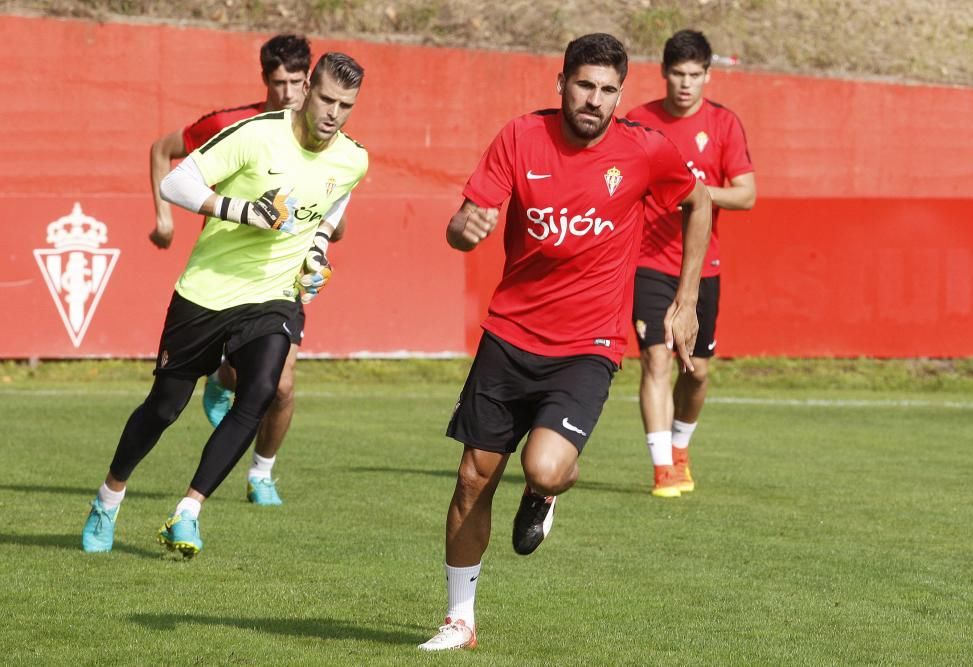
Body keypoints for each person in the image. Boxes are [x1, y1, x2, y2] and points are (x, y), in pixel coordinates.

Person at [417, 33, 713, 651]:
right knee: (473, 476)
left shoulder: (644, 149)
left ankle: (543, 492)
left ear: (620, 95)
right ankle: (459, 620)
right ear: (561, 83)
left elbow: (700, 202)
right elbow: (464, 223)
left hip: (589, 344)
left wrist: (685, 300)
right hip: (509, 334)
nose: (595, 100)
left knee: (544, 466)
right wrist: (461, 230)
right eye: (585, 85)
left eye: (608, 90)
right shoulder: (521, 136)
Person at [81, 52, 368, 557]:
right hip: (207, 291)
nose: (333, 113)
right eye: (326, 99)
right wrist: (241, 210)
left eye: (345, 105)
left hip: (273, 296)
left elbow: (330, 207)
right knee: (164, 408)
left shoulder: (352, 159)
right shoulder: (256, 135)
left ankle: (188, 512)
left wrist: (317, 253)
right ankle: (109, 497)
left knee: (260, 392)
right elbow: (176, 183)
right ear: (306, 94)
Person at [148, 33, 314, 506]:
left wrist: (322, 239)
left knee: (281, 385)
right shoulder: (229, 123)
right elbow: (162, 151)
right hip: (222, 273)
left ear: (309, 80)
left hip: (283, 276)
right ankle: (225, 376)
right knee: (169, 399)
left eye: (297, 82)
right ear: (264, 79)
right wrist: (163, 218)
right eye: (279, 82)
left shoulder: (321, 137)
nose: (288, 93)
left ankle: (262, 473)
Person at [626, 29, 756, 498]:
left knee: (696, 372)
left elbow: (746, 194)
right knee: (656, 359)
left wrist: (692, 193)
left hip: (702, 266)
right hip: (646, 260)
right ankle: (663, 470)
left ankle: (680, 447)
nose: (685, 84)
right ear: (663, 72)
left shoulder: (724, 124)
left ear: (708, 75)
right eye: (677, 74)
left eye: (694, 75)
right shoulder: (638, 122)